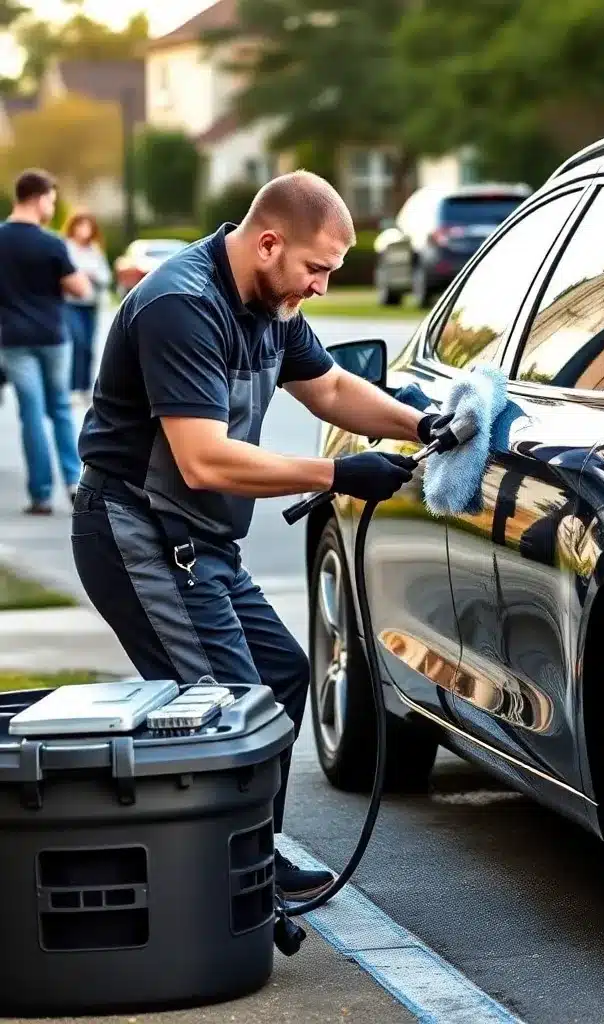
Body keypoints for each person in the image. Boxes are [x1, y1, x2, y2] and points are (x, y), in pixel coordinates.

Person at [72, 170, 451, 901]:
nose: (319, 287)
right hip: (139, 533)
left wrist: (419, 424)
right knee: (225, 708)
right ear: (269, 242)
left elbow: (333, 387)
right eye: (316, 269)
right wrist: (336, 474)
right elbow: (203, 458)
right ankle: (225, 887)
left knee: (279, 678)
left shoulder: (269, 304)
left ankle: (251, 860)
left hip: (199, 540)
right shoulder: (182, 306)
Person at [0, 169, 92, 515]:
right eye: (51, 200)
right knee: (60, 411)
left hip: (12, 339)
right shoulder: (52, 243)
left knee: (32, 415)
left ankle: (40, 494)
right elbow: (80, 288)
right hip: (53, 338)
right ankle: (72, 483)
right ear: (39, 199)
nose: (52, 207)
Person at [63, 211, 112, 404]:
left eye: (88, 226)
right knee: (78, 342)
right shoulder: (66, 248)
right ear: (73, 227)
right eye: (80, 226)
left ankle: (85, 387)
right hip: (71, 303)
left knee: (90, 347)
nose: (84, 230)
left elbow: (106, 277)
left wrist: (93, 275)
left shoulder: (95, 250)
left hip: (91, 304)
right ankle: (73, 387)